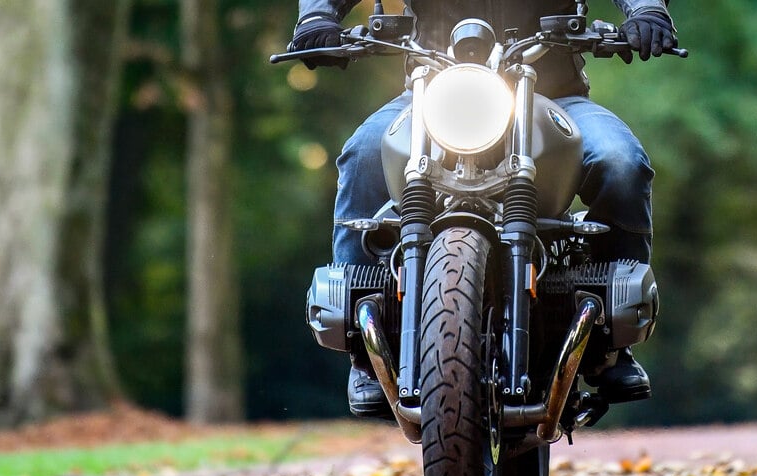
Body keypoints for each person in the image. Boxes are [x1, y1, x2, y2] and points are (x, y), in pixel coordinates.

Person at [289, 1, 678, 418]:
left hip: (553, 94)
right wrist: (317, 14)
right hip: (431, 93)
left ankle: (610, 346)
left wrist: (646, 9)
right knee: (363, 156)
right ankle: (364, 347)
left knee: (621, 162)